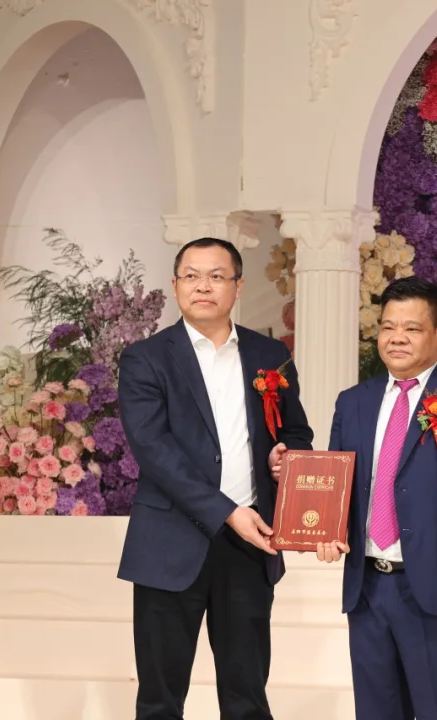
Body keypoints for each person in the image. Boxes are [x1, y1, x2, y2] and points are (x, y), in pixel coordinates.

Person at [303, 276, 437, 719]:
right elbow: (338, 484)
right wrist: (326, 529)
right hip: (366, 589)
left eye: (412, 328)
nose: (396, 337)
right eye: (388, 326)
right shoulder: (353, 402)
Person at [117, 237, 314, 720]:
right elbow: (154, 450)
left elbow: (295, 432)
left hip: (250, 544)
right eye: (191, 276)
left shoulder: (270, 354)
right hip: (169, 541)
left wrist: (286, 457)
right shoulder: (146, 358)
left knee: (247, 694)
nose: (202, 286)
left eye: (216, 276)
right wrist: (227, 512)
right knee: (160, 699)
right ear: (175, 285)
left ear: (237, 286)